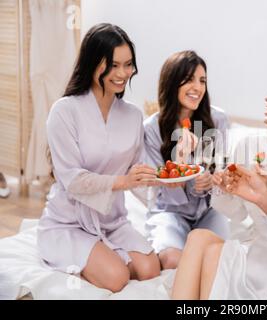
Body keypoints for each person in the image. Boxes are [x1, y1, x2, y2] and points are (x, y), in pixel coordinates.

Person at [171, 72, 267, 300]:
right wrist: (226, 190)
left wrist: (262, 197)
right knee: (198, 237)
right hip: (258, 248)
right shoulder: (251, 145)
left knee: (218, 252)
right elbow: (237, 214)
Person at [37, 23, 161, 293]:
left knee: (151, 270)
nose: (122, 74)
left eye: (128, 65)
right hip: (68, 223)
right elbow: (72, 180)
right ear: (93, 63)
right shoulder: (64, 111)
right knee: (117, 277)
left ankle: (106, 255)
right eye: (113, 65)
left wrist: (165, 181)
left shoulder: (133, 116)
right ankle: (92, 260)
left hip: (112, 222)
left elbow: (137, 173)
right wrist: (123, 182)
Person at [143, 50, 230, 270]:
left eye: (202, 81)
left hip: (208, 211)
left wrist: (212, 180)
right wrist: (179, 160)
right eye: (189, 79)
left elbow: (222, 171)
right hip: (170, 212)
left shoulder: (217, 120)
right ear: (172, 82)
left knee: (218, 262)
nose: (198, 88)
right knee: (173, 261)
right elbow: (170, 196)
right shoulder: (151, 129)